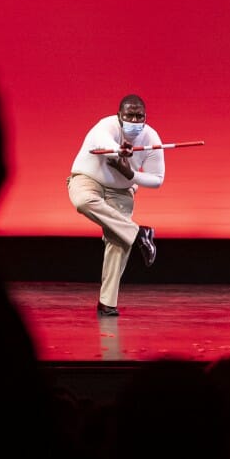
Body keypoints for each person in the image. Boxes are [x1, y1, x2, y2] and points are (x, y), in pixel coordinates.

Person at [68, 95, 161, 317]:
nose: (134, 120)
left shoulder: (152, 137)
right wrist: (119, 150)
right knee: (82, 201)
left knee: (119, 239)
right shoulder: (105, 125)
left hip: (122, 191)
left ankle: (107, 302)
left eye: (139, 116)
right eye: (129, 115)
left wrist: (130, 173)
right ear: (120, 115)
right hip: (88, 180)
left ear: (145, 117)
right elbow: (102, 142)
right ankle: (139, 233)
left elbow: (157, 179)